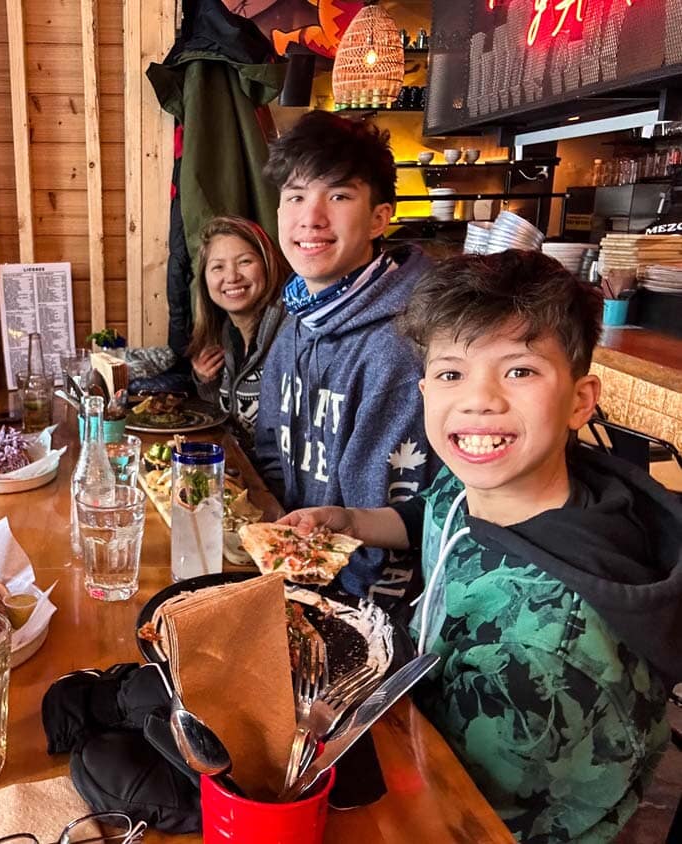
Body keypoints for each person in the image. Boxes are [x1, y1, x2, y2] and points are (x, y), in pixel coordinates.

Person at [280, 250, 679, 842]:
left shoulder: (537, 654)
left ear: (580, 399)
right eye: (451, 373)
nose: (478, 400)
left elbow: (447, 803)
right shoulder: (487, 477)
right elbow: (435, 514)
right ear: (424, 391)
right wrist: (352, 521)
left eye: (519, 370)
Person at [253, 111, 438, 600]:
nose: (310, 218)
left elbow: (407, 511)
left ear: (381, 217)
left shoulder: (402, 343)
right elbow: (271, 448)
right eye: (295, 196)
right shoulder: (295, 317)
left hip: (363, 604)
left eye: (338, 196)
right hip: (295, 575)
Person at [189, 215, 287, 452]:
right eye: (218, 267)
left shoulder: (291, 333)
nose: (232, 277)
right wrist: (207, 383)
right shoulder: (225, 335)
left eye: (244, 262)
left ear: (267, 264)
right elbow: (225, 429)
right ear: (205, 279)